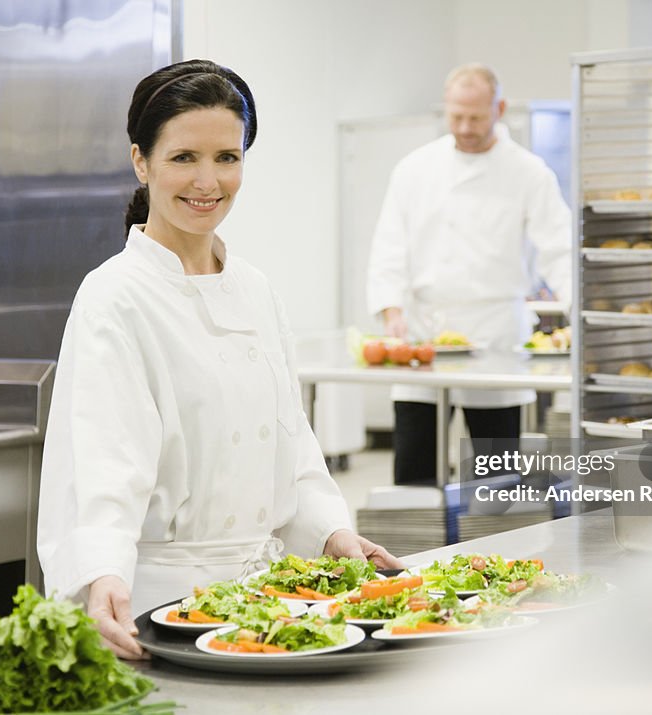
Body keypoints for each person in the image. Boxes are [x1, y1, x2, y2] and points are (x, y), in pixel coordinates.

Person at [37, 59, 402, 660]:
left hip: (269, 606)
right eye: (184, 158)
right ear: (141, 162)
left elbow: (293, 444)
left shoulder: (255, 288)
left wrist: (333, 533)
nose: (208, 181)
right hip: (155, 610)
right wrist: (100, 572)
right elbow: (101, 462)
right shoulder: (115, 295)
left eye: (227, 158)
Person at [366, 62, 572, 486]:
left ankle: (495, 548)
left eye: (476, 117)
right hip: (423, 333)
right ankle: (413, 548)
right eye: (456, 116)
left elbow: (559, 250)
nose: (465, 126)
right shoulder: (414, 168)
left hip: (496, 334)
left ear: (499, 108)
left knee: (495, 473)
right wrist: (391, 311)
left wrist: (582, 317)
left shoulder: (529, 172)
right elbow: (389, 246)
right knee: (414, 470)